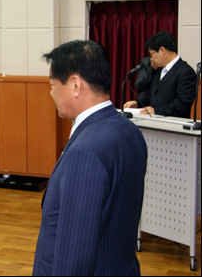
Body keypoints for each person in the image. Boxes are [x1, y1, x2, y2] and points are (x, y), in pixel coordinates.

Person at [32, 40, 148, 276]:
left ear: (75, 85)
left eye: (53, 84)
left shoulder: (85, 151)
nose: (51, 92)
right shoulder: (129, 131)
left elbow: (74, 254)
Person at [124, 31, 197, 118]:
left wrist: (156, 111)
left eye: (152, 54)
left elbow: (183, 103)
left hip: (174, 126)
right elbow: (151, 95)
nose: (151, 59)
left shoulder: (185, 71)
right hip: (155, 123)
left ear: (162, 50)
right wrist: (138, 103)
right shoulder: (159, 70)